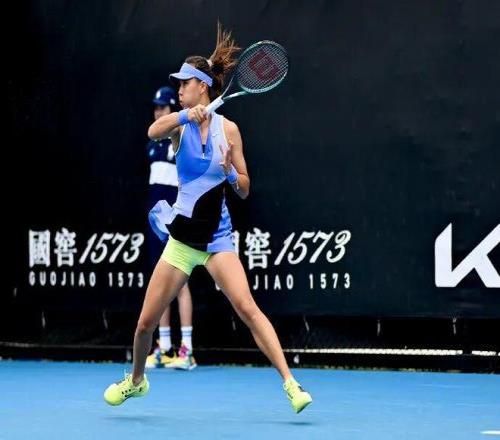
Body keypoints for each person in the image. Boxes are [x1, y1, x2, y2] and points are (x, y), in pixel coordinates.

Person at [104, 24, 312, 414]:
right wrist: (185, 116)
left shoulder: (229, 130)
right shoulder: (180, 125)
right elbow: (152, 130)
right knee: (145, 324)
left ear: (202, 86)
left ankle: (291, 383)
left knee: (248, 308)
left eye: (184, 84)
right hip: (182, 241)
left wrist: (230, 172)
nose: (179, 90)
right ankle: (136, 381)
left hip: (218, 239)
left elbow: (245, 188)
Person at [144, 86, 196, 370]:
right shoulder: (152, 145)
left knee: (180, 283)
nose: (158, 112)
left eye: (163, 108)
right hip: (156, 222)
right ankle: (164, 347)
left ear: (173, 109)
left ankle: (186, 350)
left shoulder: (183, 138)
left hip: (178, 219)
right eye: (156, 107)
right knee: (160, 282)